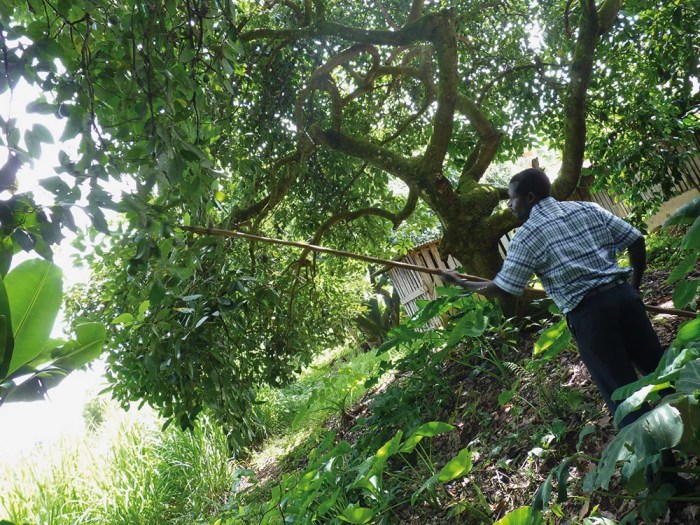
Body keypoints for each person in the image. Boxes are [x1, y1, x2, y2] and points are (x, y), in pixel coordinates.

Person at [439, 168, 664, 427]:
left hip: (591, 318)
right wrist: (633, 289)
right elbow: (636, 240)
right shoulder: (587, 209)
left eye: (513, 198)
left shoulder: (527, 235)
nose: (510, 205)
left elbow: (503, 288)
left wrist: (461, 282)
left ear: (531, 197)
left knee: (625, 397)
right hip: (625, 300)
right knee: (662, 372)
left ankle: (661, 466)